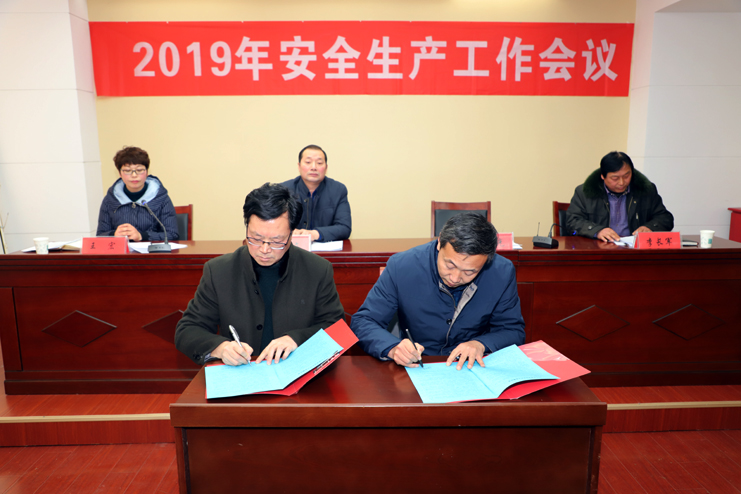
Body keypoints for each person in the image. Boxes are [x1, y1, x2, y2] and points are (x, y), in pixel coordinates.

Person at [175, 182, 344, 366]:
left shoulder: (317, 270)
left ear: (291, 234)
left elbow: (337, 329)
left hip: (299, 373)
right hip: (242, 374)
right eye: (255, 239)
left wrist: (296, 339)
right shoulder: (219, 271)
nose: (264, 249)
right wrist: (221, 348)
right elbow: (188, 330)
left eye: (276, 241)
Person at [351, 213, 525, 370]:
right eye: (450, 265)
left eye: (469, 272)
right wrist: (393, 347)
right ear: (440, 242)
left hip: (471, 366)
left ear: (487, 260)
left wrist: (480, 344)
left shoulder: (501, 272)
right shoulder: (402, 266)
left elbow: (513, 330)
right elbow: (364, 321)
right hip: (419, 364)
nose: (455, 278)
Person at [566, 151, 674, 242]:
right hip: (598, 250)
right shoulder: (584, 192)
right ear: (603, 176)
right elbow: (572, 220)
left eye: (626, 176)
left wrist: (649, 227)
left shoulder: (645, 190)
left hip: (634, 251)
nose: (622, 182)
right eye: (615, 178)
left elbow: (665, 218)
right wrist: (597, 231)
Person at [96, 146, 178, 241]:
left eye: (139, 170)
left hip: (151, 250)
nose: (134, 175)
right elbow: (100, 235)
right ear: (119, 173)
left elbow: (172, 234)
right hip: (122, 250)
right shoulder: (110, 200)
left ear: (147, 172)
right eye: (127, 171)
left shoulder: (161, 198)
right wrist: (113, 234)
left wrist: (141, 236)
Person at [281, 144, 351, 242]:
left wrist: (315, 234)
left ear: (326, 168)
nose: (313, 167)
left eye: (319, 163)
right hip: (292, 248)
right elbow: (273, 225)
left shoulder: (338, 190)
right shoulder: (283, 190)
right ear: (299, 166)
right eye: (308, 162)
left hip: (325, 249)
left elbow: (344, 228)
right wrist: (290, 232)